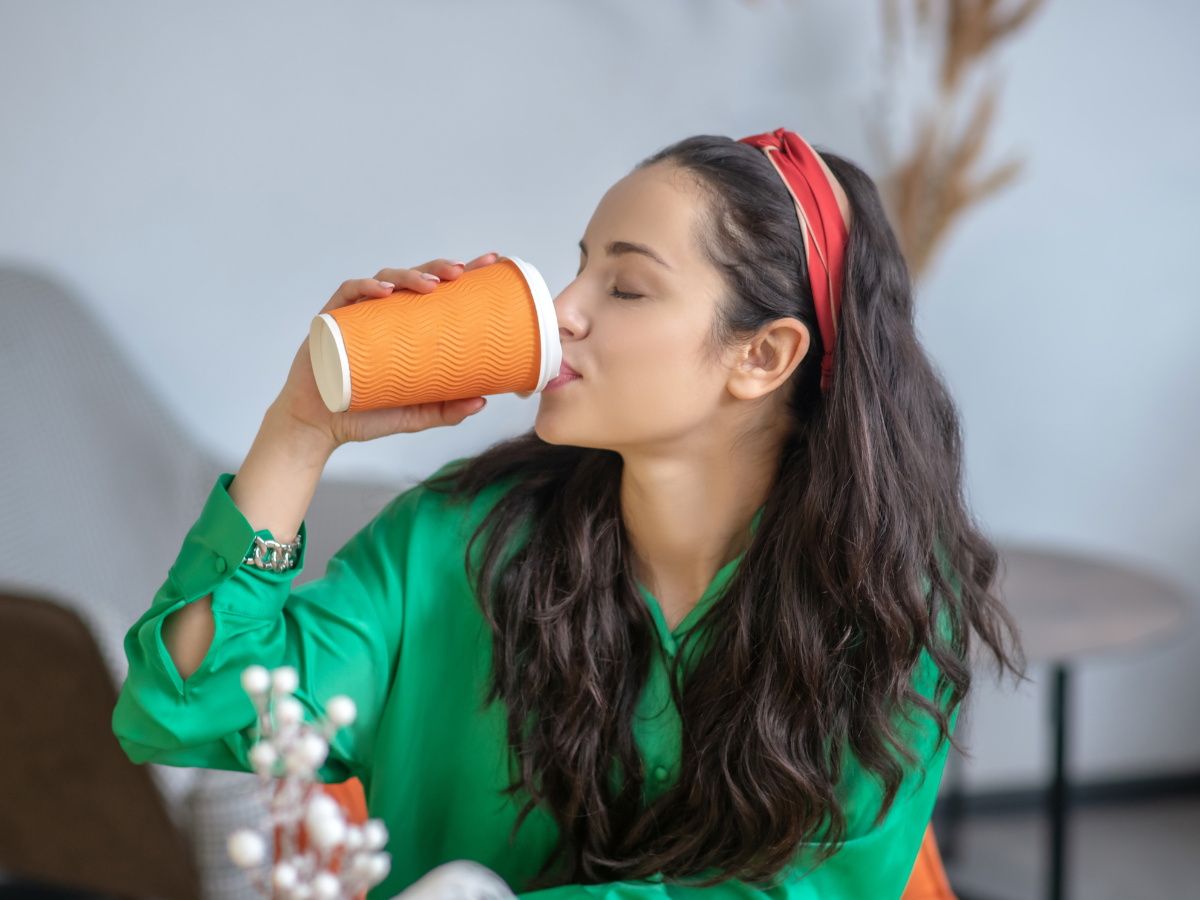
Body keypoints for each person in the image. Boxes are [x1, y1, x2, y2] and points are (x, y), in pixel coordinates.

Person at [114, 130, 1019, 900]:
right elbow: (178, 708)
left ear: (762, 356)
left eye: (625, 288)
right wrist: (301, 428)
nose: (561, 311)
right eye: (581, 267)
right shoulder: (450, 544)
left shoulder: (884, 599)